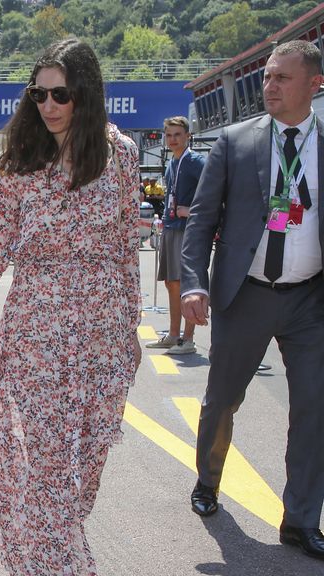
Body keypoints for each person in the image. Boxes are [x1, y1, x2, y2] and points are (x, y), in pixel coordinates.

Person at [0, 38, 141, 575]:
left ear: (86, 94)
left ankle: (52, 547)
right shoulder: (20, 160)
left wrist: (132, 329)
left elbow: (127, 245)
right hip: (35, 325)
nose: (49, 106)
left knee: (86, 465)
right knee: (44, 464)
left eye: (61, 94)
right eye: (39, 94)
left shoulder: (120, 154)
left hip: (101, 326)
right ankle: (52, 565)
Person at [181, 40, 324, 560]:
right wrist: (194, 281)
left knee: (314, 408)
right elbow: (200, 223)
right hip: (246, 294)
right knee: (223, 399)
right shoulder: (236, 141)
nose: (270, 86)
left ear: (315, 84)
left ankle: (301, 520)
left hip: (311, 300)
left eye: (283, 78)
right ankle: (208, 482)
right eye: (267, 76)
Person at [145, 116, 205, 356]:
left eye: (178, 135)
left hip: (187, 229)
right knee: (171, 282)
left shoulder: (195, 162)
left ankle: (188, 339)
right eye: (169, 135)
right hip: (171, 226)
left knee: (185, 284)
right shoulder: (173, 163)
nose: (173, 139)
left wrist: (189, 211)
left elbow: (216, 191)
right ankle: (173, 334)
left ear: (188, 136)